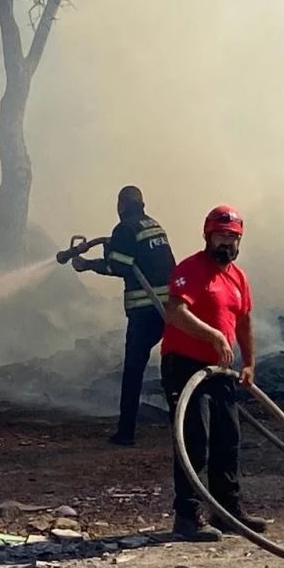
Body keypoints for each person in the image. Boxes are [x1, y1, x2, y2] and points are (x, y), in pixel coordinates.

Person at [160, 204, 268, 542]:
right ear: (208, 236)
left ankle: (228, 512)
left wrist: (249, 362)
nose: (227, 243)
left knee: (228, 439)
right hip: (185, 365)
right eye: (220, 236)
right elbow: (175, 312)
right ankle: (187, 516)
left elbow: (244, 321)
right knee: (194, 439)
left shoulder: (238, 278)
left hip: (221, 370)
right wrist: (215, 337)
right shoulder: (190, 269)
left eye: (232, 237)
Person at [72, 185, 176, 446]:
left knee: (133, 370)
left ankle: (126, 432)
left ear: (120, 205)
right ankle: (181, 422)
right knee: (173, 366)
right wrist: (109, 245)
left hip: (145, 310)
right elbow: (141, 257)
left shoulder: (125, 229)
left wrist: (87, 265)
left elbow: (117, 267)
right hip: (170, 308)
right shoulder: (152, 225)